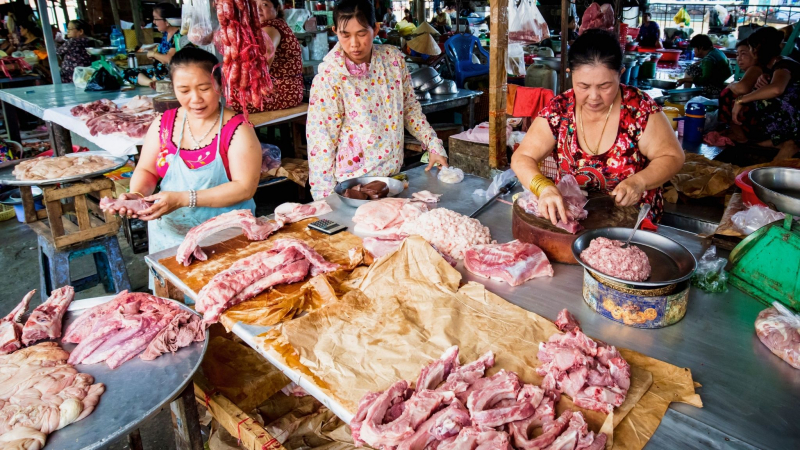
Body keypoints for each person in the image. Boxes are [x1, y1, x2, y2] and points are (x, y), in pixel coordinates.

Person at [510, 29, 684, 226]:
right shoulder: (559, 110)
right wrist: (544, 188)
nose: (594, 96)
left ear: (621, 74)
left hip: (633, 226)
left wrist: (639, 182)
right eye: (583, 86)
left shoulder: (639, 109)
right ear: (570, 75)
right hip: (574, 223)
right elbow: (522, 157)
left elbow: (672, 157)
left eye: (604, 86)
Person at [108, 48, 261, 255]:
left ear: (219, 84)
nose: (196, 98)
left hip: (224, 240)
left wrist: (183, 199)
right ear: (174, 88)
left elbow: (244, 188)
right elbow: (147, 170)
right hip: (168, 238)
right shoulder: (163, 124)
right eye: (184, 90)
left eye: (204, 88)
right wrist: (137, 196)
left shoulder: (237, 129)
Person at [306, 0, 448, 200]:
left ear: (375, 28)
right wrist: (324, 199)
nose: (354, 44)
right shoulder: (329, 78)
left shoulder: (393, 61)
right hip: (352, 185)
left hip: (392, 176)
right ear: (335, 31)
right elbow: (321, 142)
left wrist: (433, 144)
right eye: (345, 35)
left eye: (362, 33)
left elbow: (410, 109)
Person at [733, 27, 800, 160]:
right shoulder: (774, 66)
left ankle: (789, 142)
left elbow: (776, 89)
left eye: (750, 49)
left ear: (757, 49)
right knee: (759, 94)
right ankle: (778, 140)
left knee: (763, 98)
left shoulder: (784, 64)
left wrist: (740, 100)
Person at [256, 0, 303, 111]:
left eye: (264, 4)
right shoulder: (277, 25)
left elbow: (263, 63)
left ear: (277, 8)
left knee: (232, 102)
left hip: (282, 92)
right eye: (254, 5)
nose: (258, 9)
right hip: (289, 91)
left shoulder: (271, 28)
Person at [123, 2, 181, 87]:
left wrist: (153, 54)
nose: (154, 22)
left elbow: (168, 59)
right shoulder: (165, 34)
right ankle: (151, 83)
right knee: (128, 72)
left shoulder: (178, 36)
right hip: (158, 70)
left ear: (167, 20)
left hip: (170, 71)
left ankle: (155, 82)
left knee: (163, 67)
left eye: (156, 19)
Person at [718, 39, 762, 142]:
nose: (739, 58)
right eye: (737, 55)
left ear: (755, 54)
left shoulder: (756, 68)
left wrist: (731, 85)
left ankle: (739, 135)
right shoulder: (753, 70)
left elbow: (742, 89)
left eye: (743, 54)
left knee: (728, 93)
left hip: (760, 120)